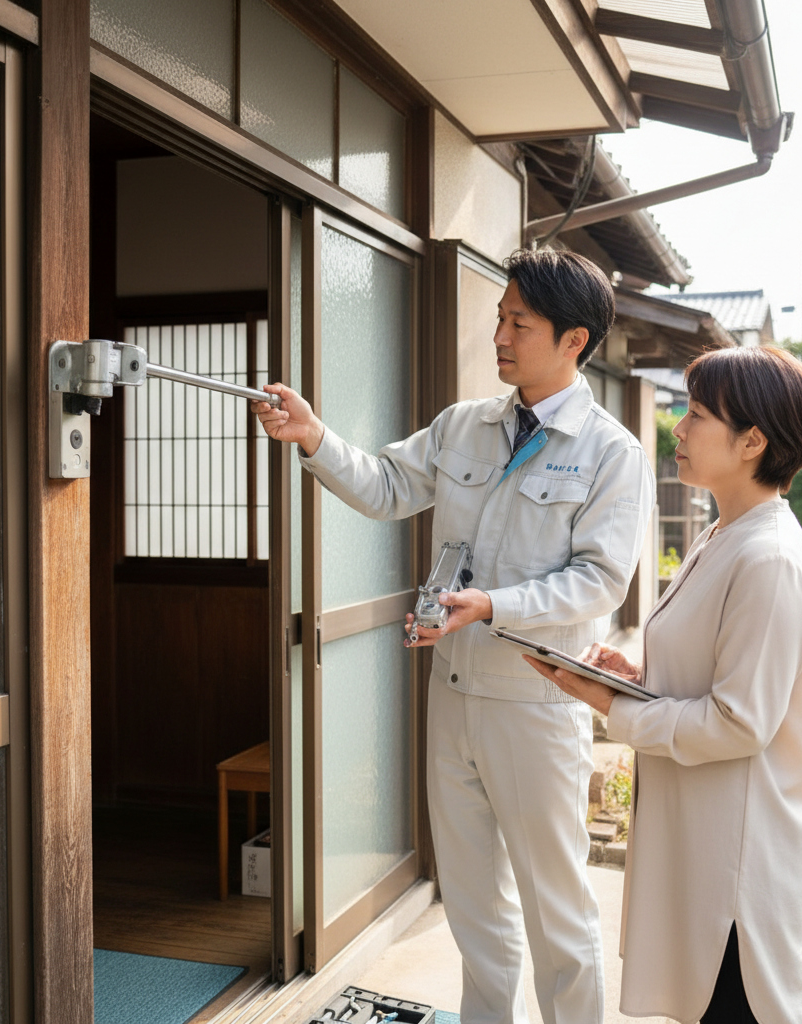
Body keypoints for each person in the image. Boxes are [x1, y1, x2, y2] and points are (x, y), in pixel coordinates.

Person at [253, 248, 655, 1024]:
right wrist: (312, 438)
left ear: (574, 340)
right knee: (475, 913)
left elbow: (600, 582)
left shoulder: (612, 453)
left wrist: (492, 605)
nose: (499, 335)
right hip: (453, 699)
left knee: (558, 918)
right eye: (499, 317)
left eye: (519, 323)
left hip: (538, 707)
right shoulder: (466, 425)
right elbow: (383, 486)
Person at [525, 345, 802, 1024]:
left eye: (694, 415)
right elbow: (712, 675)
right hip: (703, 841)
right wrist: (637, 678)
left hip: (738, 872)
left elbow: (739, 722)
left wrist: (612, 706)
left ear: (752, 440)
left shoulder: (770, 559)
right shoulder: (723, 533)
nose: (678, 430)